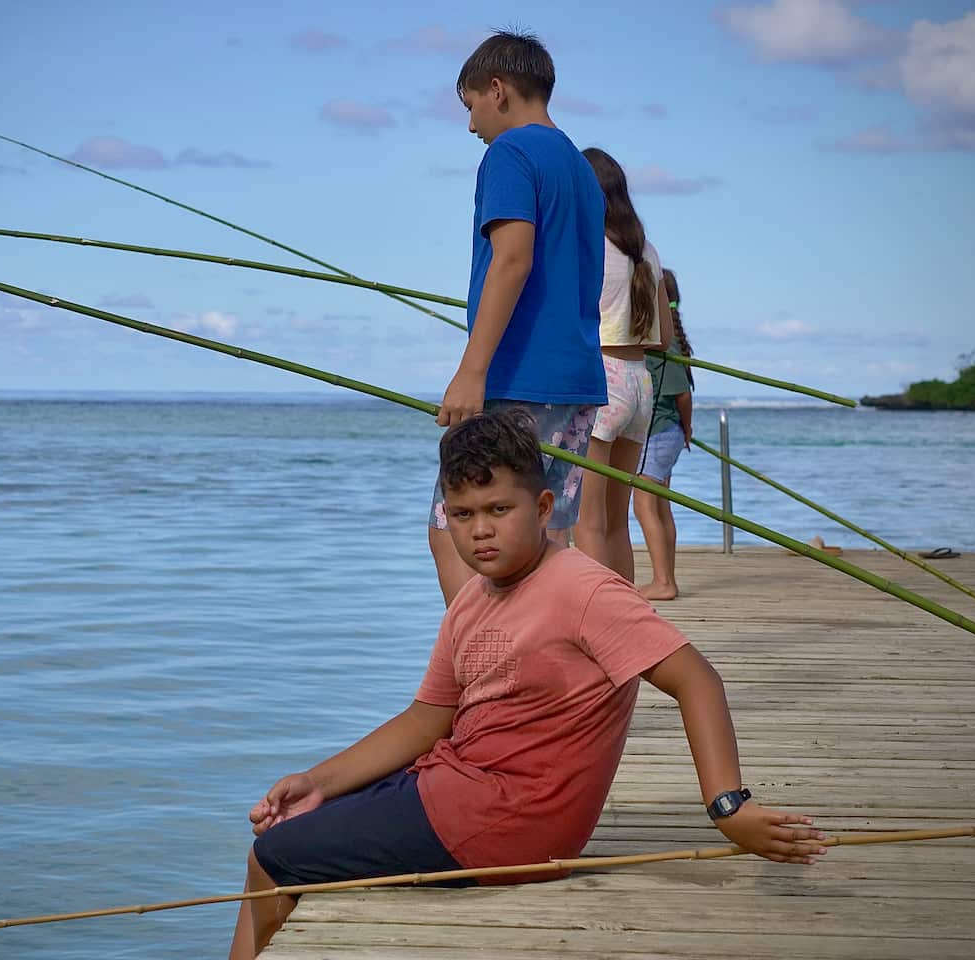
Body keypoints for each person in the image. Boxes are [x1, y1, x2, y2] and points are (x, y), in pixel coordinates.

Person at [228, 410, 826, 959]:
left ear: (543, 508)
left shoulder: (583, 590)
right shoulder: (471, 601)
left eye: (498, 510)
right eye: (462, 516)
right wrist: (315, 781)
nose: (480, 532)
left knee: (271, 857)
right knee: (294, 824)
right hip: (456, 790)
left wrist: (729, 807)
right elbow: (425, 720)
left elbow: (697, 679)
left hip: (508, 823)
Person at [429, 29, 609, 606]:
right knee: (544, 535)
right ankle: (546, 668)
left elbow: (512, 260)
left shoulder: (509, 153)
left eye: (471, 105)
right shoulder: (580, 167)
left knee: (453, 525)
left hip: (518, 377)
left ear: (497, 89)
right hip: (576, 380)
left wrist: (472, 370)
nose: (471, 125)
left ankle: (481, 668)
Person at [572, 148, 673, 584]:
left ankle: (596, 623)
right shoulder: (645, 250)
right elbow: (663, 339)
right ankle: (625, 616)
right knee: (617, 522)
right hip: (640, 385)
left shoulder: (587, 243)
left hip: (603, 378)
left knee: (586, 521)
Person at [634, 268, 693, 600]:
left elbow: (682, 394)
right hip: (665, 432)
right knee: (660, 506)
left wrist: (687, 427)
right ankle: (666, 576)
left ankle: (663, 582)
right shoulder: (665, 340)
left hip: (658, 433)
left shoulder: (663, 345)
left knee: (643, 504)